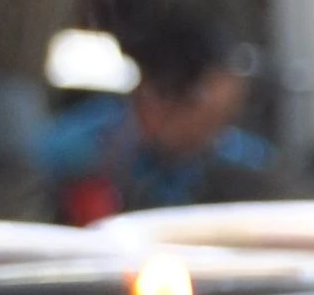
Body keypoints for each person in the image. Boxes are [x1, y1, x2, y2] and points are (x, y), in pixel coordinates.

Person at [36, 14, 273, 222]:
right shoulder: (76, 153)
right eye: (208, 119)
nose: (217, 135)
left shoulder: (243, 159)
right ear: (155, 99)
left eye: (225, 120)